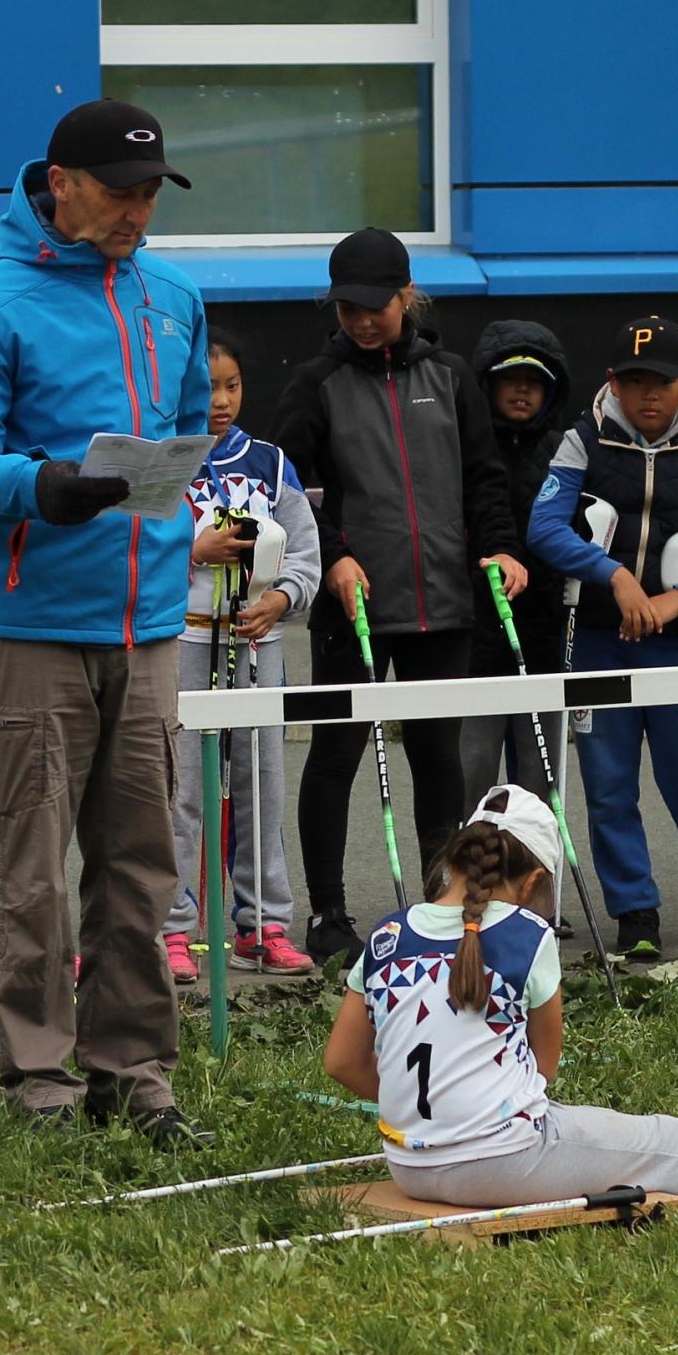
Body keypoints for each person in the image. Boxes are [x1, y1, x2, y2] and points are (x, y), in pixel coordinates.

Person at [0, 98, 212, 1140]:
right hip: (32, 630)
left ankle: (136, 1077)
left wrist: (164, 488)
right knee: (32, 873)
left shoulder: (173, 296)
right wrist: (42, 485)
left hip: (147, 629)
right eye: (122, 192)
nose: (139, 212)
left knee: (141, 870)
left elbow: (184, 436)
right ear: (59, 183)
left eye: (149, 194)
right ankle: (39, 1085)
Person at [321, 783, 678, 1214]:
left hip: (411, 1164)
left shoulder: (385, 935)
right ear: (531, 884)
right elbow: (543, 1069)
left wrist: (432, 1104)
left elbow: (342, 1063)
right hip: (498, 1157)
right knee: (665, 1143)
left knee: (653, 1140)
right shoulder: (528, 937)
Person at [271, 228, 525, 964]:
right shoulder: (315, 383)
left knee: (439, 757)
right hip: (352, 606)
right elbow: (289, 490)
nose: (360, 320)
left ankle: (442, 905)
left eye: (374, 306)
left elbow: (484, 477)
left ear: (407, 296)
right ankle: (327, 916)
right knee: (337, 753)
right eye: (346, 307)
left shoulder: (449, 375)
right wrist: (335, 557)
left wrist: (501, 546)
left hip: (442, 600)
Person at [528, 315, 678, 961]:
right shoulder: (585, 438)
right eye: (633, 381)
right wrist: (613, 575)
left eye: (661, 382)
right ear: (613, 381)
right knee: (609, 785)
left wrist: (677, 597)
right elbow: (545, 528)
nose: (647, 396)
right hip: (600, 640)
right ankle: (635, 912)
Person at [164, 327, 322, 984]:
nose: (220, 401)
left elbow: (306, 555)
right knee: (180, 791)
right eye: (206, 388)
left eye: (231, 386)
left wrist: (282, 599)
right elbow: (132, 553)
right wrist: (192, 552)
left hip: (258, 644)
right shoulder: (164, 461)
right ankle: (171, 927)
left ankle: (263, 926)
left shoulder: (270, 462)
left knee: (259, 784)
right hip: (183, 641)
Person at [461, 319, 571, 809]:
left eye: (536, 381)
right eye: (510, 379)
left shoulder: (568, 452)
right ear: (487, 383)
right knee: (472, 773)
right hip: (475, 637)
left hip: (544, 635)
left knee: (537, 780)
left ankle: (529, 881)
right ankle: (468, 880)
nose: (523, 390)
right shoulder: (463, 449)